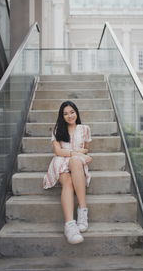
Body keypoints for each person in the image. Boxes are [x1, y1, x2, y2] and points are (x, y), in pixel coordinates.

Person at [43, 101, 92, 244]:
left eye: (72, 112)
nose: (69, 116)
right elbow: (58, 151)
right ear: (61, 116)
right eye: (65, 113)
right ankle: (70, 225)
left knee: (76, 161)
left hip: (75, 161)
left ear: (76, 112)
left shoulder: (84, 128)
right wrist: (79, 154)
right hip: (60, 161)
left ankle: (82, 211)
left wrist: (79, 154)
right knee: (68, 181)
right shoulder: (58, 129)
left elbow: (87, 148)